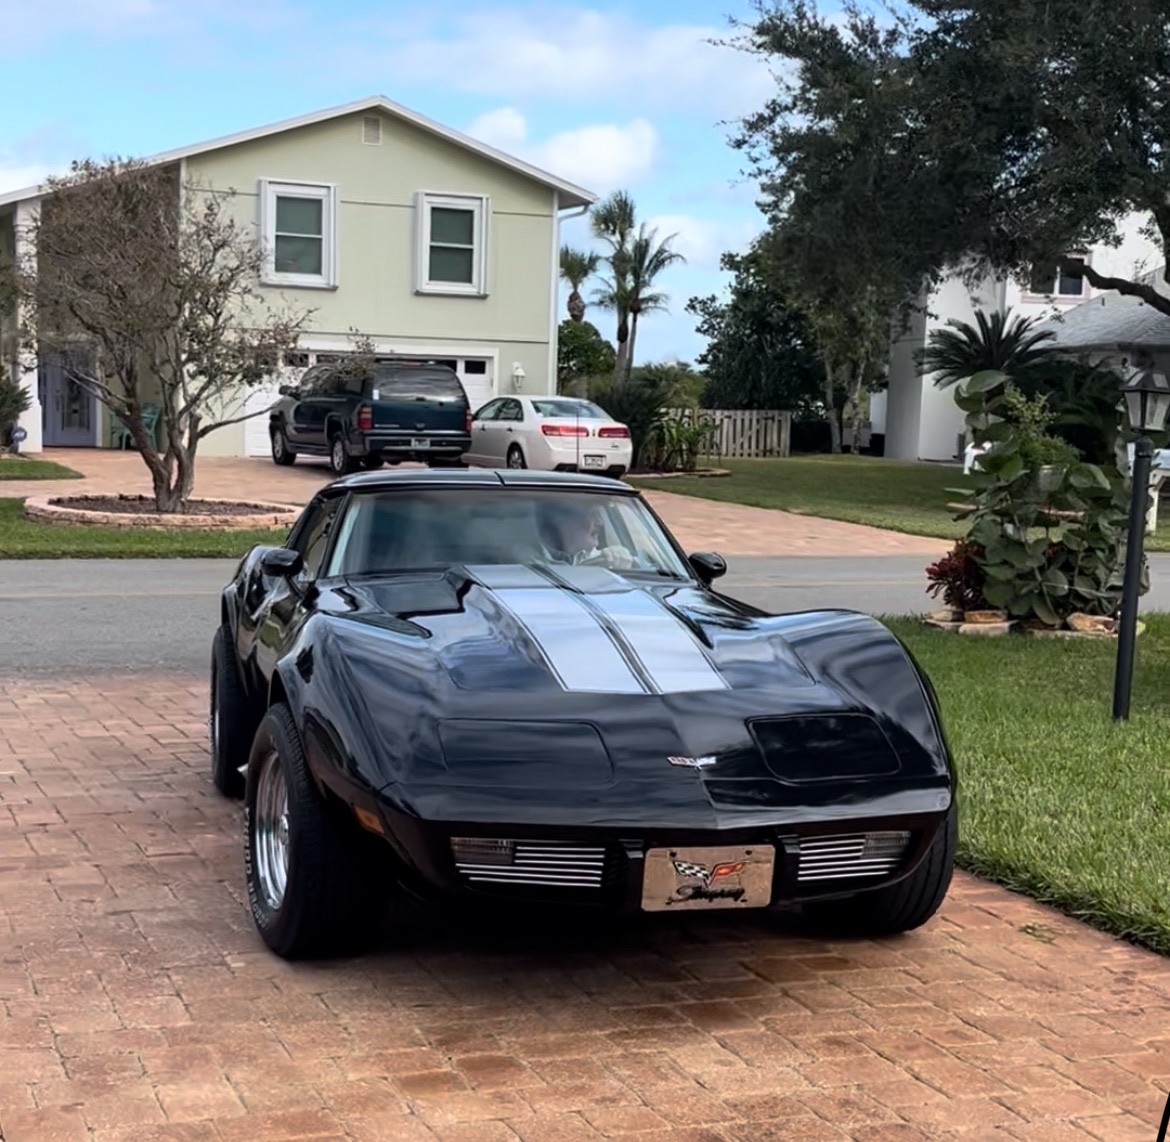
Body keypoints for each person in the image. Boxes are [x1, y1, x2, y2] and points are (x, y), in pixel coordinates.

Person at [537, 501, 638, 568]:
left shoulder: (594, 557)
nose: (600, 522)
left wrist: (621, 557)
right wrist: (582, 570)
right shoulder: (527, 560)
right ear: (561, 520)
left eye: (599, 514)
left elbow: (647, 567)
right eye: (591, 514)